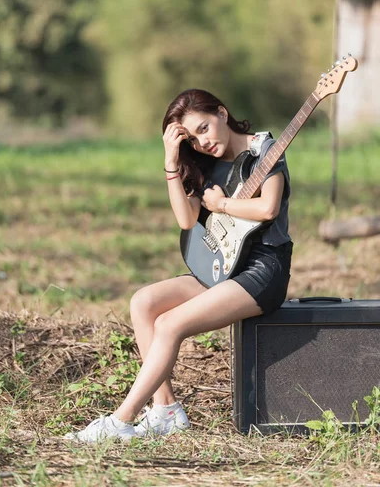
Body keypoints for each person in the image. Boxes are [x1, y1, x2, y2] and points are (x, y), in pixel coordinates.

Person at [65, 89, 292, 443]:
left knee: (170, 325)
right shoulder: (202, 163)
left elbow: (267, 209)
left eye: (205, 127)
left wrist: (222, 205)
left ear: (222, 112)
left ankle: (119, 422)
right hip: (222, 265)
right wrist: (172, 159)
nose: (203, 141)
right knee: (143, 302)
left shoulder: (264, 149)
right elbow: (187, 220)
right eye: (194, 137)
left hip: (263, 269)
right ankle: (166, 411)